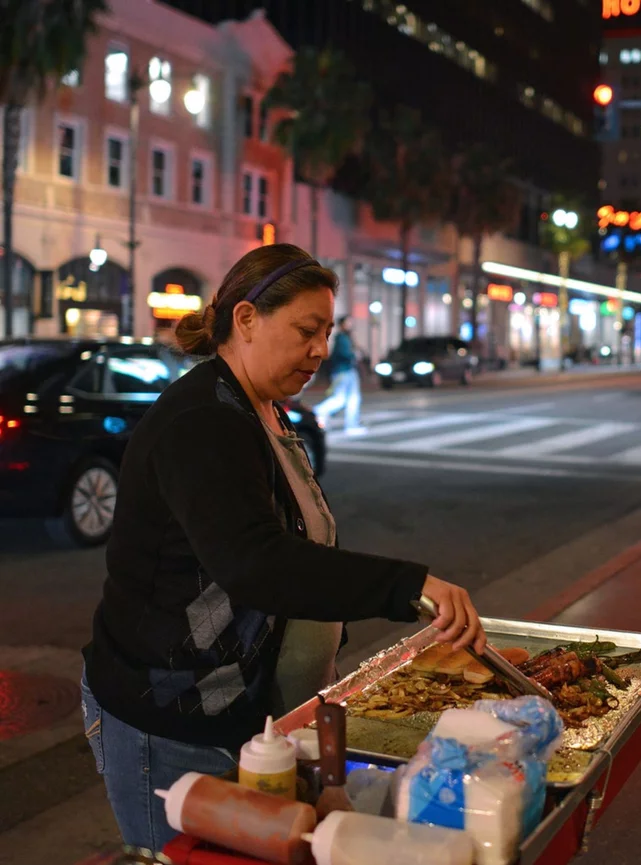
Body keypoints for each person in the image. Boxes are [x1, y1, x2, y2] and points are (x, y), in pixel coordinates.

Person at [81, 244, 486, 853]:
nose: (320, 350)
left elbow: (301, 546)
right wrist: (410, 586)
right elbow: (257, 563)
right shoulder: (204, 422)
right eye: (305, 330)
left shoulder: (263, 410)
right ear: (245, 320)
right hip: (169, 719)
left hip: (248, 714)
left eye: (327, 332)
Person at [312, 315, 366, 435]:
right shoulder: (342, 338)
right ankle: (317, 412)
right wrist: (355, 355)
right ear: (342, 324)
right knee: (342, 399)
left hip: (347, 371)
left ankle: (352, 424)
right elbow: (344, 354)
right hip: (343, 371)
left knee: (352, 399)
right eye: (348, 322)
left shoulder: (345, 337)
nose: (351, 325)